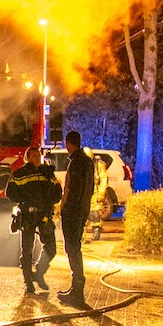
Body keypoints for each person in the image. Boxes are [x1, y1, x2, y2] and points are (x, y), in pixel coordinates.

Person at [5, 146, 62, 294]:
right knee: (27, 250)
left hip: (44, 215)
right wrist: (25, 201)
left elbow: (58, 192)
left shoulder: (47, 173)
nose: (37, 158)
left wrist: (49, 202)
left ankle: (39, 272)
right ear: (27, 158)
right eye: (34, 156)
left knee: (52, 248)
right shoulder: (20, 174)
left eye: (38, 155)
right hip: (28, 216)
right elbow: (10, 192)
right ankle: (28, 282)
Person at [58, 131, 95, 309]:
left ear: (68, 143)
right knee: (74, 247)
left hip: (73, 213)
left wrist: (66, 208)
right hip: (81, 212)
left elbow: (74, 189)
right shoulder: (87, 161)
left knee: (72, 248)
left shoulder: (76, 162)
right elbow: (88, 188)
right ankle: (76, 288)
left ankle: (77, 291)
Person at [87, 154, 110, 241]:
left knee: (94, 212)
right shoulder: (81, 164)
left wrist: (101, 193)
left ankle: (96, 232)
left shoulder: (98, 164)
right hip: (85, 191)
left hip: (95, 191)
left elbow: (104, 179)